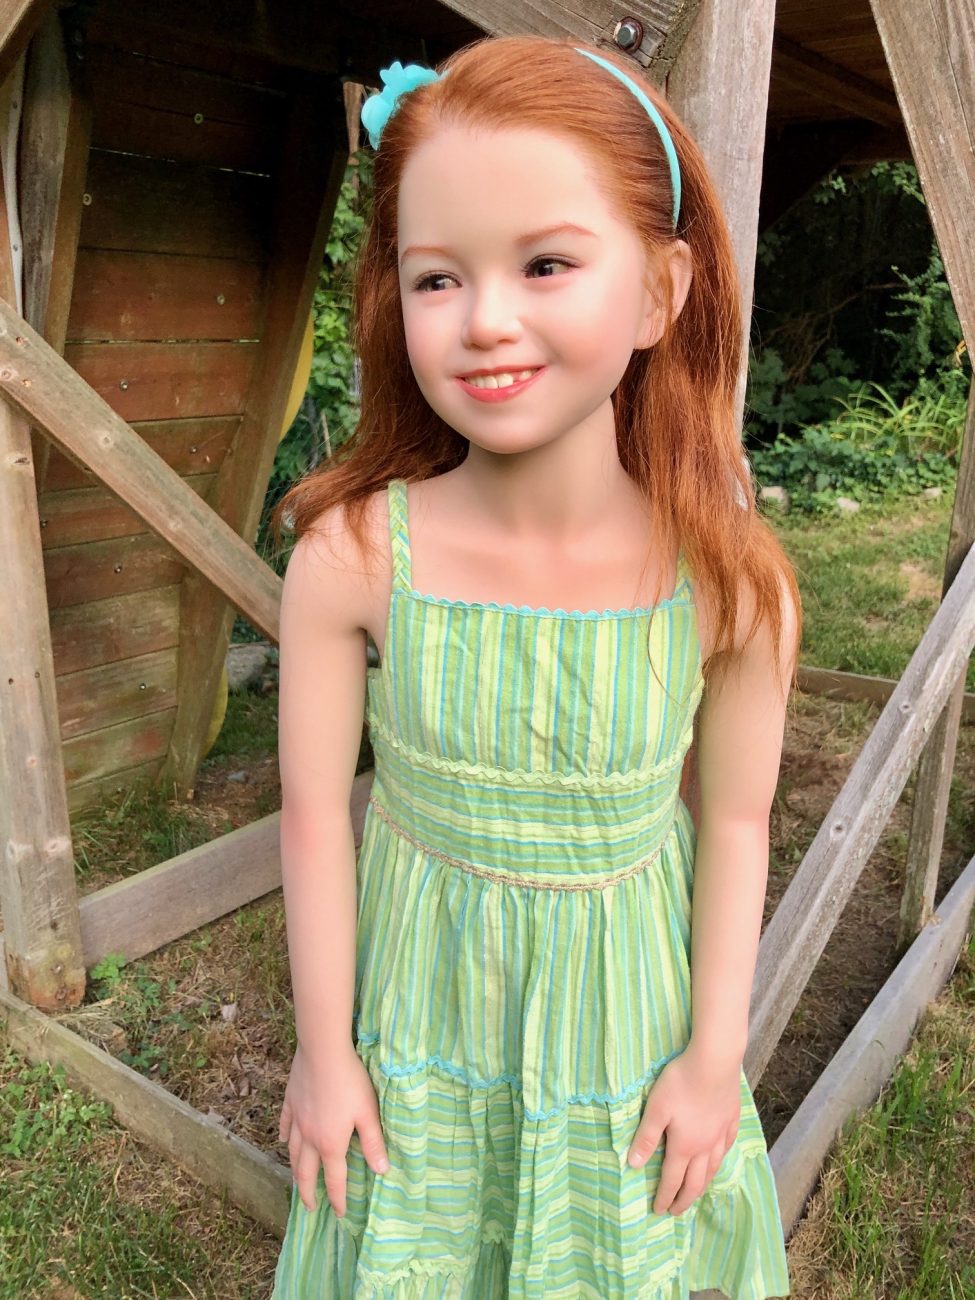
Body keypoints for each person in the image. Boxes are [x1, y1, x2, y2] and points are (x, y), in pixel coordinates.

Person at [270, 32, 800, 1300]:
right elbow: (311, 816)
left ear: (662, 291)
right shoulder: (354, 557)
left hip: (624, 1045)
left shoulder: (728, 585)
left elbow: (736, 822)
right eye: (437, 277)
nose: (487, 320)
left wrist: (712, 1059)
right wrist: (325, 1054)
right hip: (420, 1031)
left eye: (547, 263)